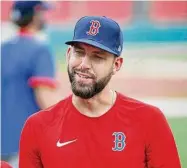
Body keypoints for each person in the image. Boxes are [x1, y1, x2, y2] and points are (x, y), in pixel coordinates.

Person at [19, 16, 181, 168]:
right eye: (79, 52)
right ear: (68, 55)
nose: (84, 64)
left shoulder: (149, 120)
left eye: (97, 57)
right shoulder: (37, 126)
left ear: (116, 65)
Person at [1, 1, 62, 167]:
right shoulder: (40, 49)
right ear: (35, 16)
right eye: (42, 12)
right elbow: (45, 96)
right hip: (25, 142)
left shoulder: (3, 49)